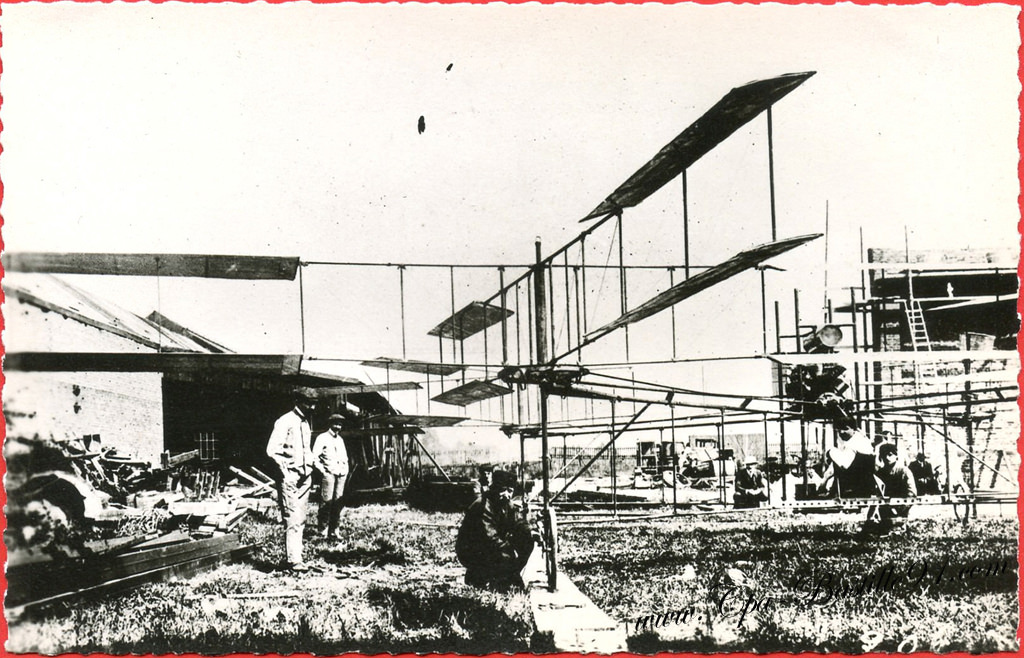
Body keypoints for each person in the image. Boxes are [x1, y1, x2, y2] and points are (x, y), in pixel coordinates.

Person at [455, 469, 535, 592]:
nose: (507, 495)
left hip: (490, 545)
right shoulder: (483, 505)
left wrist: (528, 532)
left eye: (510, 491)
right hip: (471, 550)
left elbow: (518, 521)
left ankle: (508, 575)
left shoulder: (505, 503)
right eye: (503, 490)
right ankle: (481, 576)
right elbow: (489, 537)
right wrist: (509, 549)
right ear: (495, 488)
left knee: (527, 541)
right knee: (503, 554)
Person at [266, 387, 317, 572]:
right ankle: (293, 561)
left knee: (301, 518)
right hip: (290, 477)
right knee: (292, 518)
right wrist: (285, 472)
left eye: (314, 403)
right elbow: (272, 450)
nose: (312, 407)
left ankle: (298, 558)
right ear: (298, 401)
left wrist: (310, 466)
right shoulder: (284, 421)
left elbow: (307, 449)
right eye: (308, 403)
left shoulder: (305, 423)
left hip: (305, 477)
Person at [313, 412, 351, 540]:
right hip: (329, 474)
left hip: (341, 474)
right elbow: (314, 457)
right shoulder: (322, 438)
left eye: (340, 424)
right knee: (326, 503)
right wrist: (323, 471)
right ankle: (322, 531)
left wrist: (346, 469)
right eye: (336, 423)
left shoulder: (340, 440)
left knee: (338, 503)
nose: (338, 426)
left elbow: (345, 458)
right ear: (330, 424)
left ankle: (334, 531)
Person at [819, 423, 876, 499]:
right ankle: (833, 491)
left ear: (853, 429)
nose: (841, 432)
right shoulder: (860, 439)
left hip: (854, 487)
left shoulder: (854, 443)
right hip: (866, 486)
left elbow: (844, 465)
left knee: (833, 452)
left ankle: (833, 491)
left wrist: (831, 453)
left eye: (846, 429)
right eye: (839, 430)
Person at [873, 443, 917, 524]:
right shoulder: (880, 473)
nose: (887, 458)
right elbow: (876, 493)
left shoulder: (904, 471)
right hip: (884, 511)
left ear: (896, 456)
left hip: (901, 511)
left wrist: (900, 510)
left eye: (890, 455)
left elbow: (911, 493)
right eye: (884, 455)